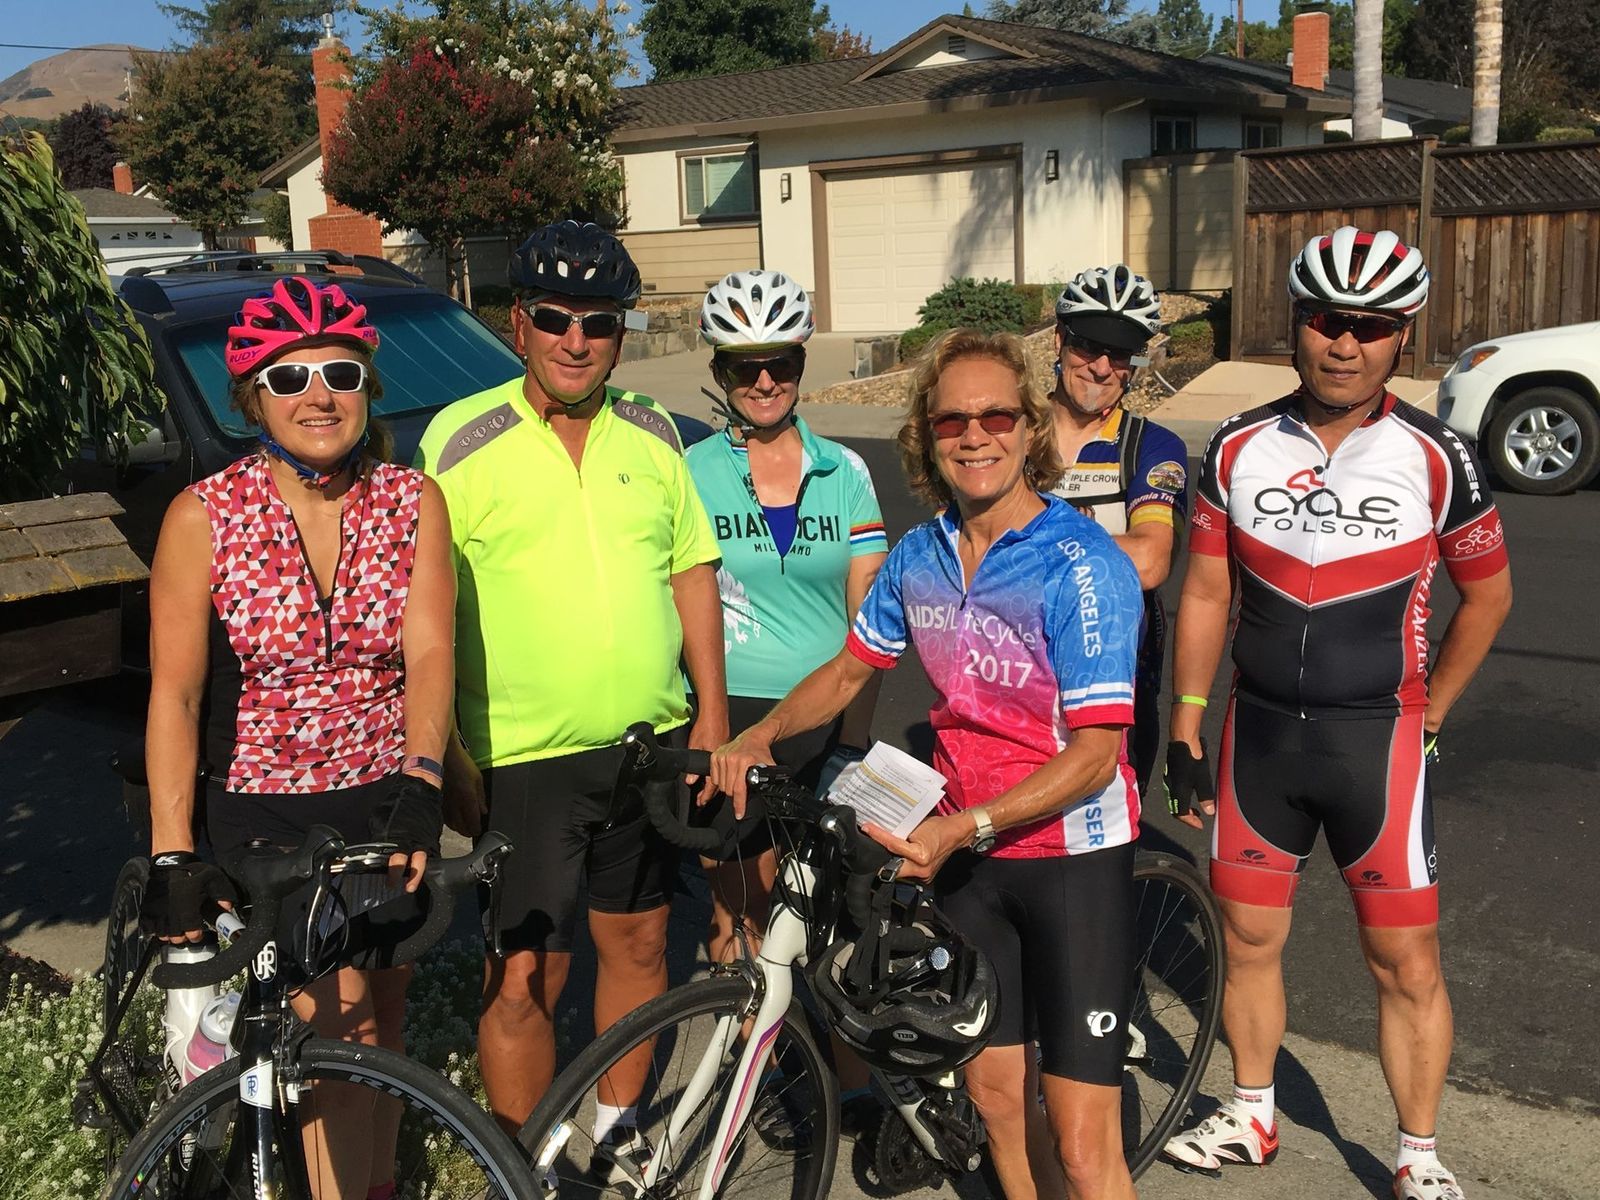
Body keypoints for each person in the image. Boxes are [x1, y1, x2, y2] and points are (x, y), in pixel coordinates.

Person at [712, 328, 1147, 1200]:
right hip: (969, 864)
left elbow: (1098, 754)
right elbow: (849, 669)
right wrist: (760, 736)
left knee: (1079, 1135)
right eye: (952, 420)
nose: (974, 436)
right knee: (995, 1101)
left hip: (1069, 859)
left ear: (1030, 428)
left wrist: (967, 825)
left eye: (996, 417)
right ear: (927, 434)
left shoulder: (1083, 565)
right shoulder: (922, 556)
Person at [1160, 227, 1512, 1200]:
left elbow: (1488, 598)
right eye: (1326, 321)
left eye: (1371, 327)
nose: (1345, 344)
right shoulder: (1237, 445)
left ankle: (1419, 1158)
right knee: (1246, 941)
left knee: (1403, 961)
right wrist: (1185, 725)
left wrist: (1430, 713)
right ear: (1297, 324)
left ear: (1402, 337)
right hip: (1261, 735)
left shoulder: (1436, 454)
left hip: (1378, 742)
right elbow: (1205, 592)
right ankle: (1253, 1113)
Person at [413, 220, 726, 1177]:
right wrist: (447, 755)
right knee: (523, 978)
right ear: (519, 324)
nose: (576, 340)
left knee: (640, 946)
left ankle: (620, 1133)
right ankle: (526, 1166)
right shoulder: (458, 440)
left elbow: (692, 571)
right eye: (554, 318)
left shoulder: (656, 431)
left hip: (650, 742)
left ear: (623, 332)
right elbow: (425, 613)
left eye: (599, 321)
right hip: (524, 760)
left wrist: (713, 718)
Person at [141, 275, 455, 1200]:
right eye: (290, 378)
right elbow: (174, 694)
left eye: (340, 374)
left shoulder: (413, 500)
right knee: (341, 1026)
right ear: (254, 398)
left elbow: (430, 650)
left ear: (367, 389)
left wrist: (423, 779)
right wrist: (171, 854)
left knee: (386, 1009)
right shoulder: (204, 515)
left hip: (385, 792)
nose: (319, 396)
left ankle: (375, 1185)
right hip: (268, 806)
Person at [686, 268, 888, 957]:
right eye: (746, 367)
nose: (766, 381)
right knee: (740, 915)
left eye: (782, 364)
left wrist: (853, 745)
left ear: (801, 365)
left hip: (823, 712)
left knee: (819, 918)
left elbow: (870, 619)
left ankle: (815, 1027)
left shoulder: (846, 471)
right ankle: (746, 1029)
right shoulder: (691, 471)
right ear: (720, 371)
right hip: (729, 712)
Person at [1049, 265, 1189, 797]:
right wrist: (1093, 543)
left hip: (1114, 683)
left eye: (1121, 353)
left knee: (1108, 841)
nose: (1102, 367)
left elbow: (1150, 561)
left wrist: (1026, 538)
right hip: (1012, 676)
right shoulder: (1009, 431)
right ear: (1059, 341)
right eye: (1088, 346)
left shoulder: (1151, 446)